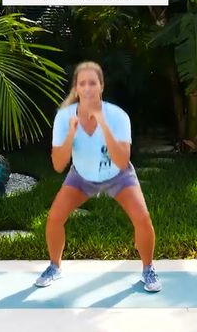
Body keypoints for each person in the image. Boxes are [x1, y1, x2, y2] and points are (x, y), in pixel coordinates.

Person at [35, 61, 162, 292]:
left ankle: (148, 269)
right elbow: (58, 164)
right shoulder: (64, 118)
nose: (87, 88)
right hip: (82, 176)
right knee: (54, 217)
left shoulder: (118, 116)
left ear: (101, 86)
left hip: (118, 176)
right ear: (76, 88)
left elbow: (122, 161)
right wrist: (72, 133)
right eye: (82, 83)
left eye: (92, 83)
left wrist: (104, 125)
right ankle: (54, 266)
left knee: (142, 219)